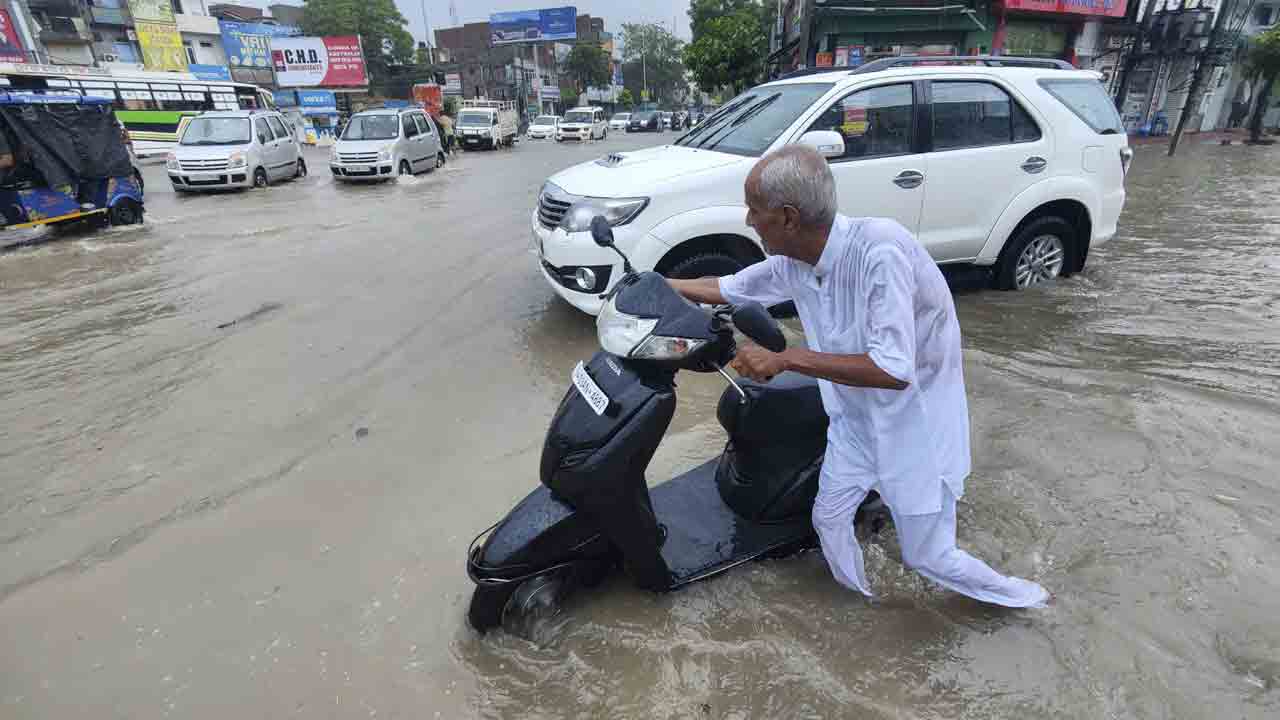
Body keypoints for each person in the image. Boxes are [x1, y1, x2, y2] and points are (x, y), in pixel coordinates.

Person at [668, 145, 1050, 609]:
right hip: (852, 419)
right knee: (828, 518)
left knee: (928, 556)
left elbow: (893, 369)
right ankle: (862, 607)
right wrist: (653, 286)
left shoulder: (880, 250)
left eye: (754, 210)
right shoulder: (796, 261)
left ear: (788, 218)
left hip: (915, 427)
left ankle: (1030, 601)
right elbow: (731, 286)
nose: (748, 221)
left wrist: (787, 359)